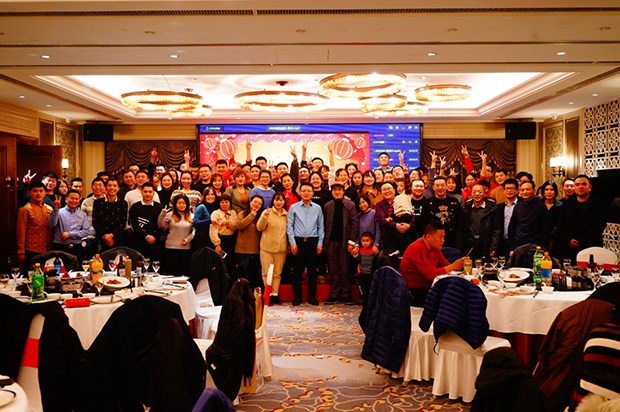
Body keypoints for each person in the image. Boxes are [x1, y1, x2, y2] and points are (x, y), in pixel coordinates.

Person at [399, 221, 465, 307]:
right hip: (413, 292)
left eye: (443, 237)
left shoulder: (435, 248)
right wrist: (453, 266)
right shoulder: (416, 248)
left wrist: (460, 264)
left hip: (428, 288)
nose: (443, 240)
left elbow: (446, 265)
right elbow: (429, 274)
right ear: (428, 237)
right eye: (440, 238)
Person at [287, 183, 325, 306]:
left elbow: (321, 227)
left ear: (313, 193)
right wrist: (292, 243)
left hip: (313, 241)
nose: (306, 193)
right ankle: (297, 297)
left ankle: (312, 297)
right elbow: (289, 227)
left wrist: (320, 243)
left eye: (309, 191)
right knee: (297, 271)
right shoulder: (293, 207)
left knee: (312, 271)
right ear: (300, 193)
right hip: (298, 241)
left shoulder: (317, 208)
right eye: (304, 191)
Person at [555, 174, 607, 263]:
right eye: (577, 184)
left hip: (590, 246)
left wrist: (580, 240)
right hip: (569, 247)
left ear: (590, 187)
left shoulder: (598, 204)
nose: (580, 187)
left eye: (584, 184)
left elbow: (599, 226)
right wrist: (568, 240)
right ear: (575, 187)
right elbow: (560, 225)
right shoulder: (567, 204)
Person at [323, 183, 359, 305]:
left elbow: (354, 224)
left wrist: (351, 242)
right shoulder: (327, 206)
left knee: (345, 269)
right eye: (334, 190)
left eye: (339, 190)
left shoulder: (350, 205)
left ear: (343, 192)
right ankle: (334, 294)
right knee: (333, 269)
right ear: (332, 192)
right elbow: (324, 224)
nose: (337, 192)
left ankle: (346, 294)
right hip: (330, 242)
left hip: (345, 241)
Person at [256, 192, 289, 305]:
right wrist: (264, 217)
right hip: (267, 248)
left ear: (284, 202)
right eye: (276, 200)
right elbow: (259, 227)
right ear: (273, 201)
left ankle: (275, 294)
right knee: (266, 273)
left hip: (281, 249)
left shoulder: (287, 215)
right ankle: (267, 295)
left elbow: (289, 232)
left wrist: (288, 246)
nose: (278, 202)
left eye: (281, 200)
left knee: (277, 274)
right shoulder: (267, 212)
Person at [48, 189, 90, 263]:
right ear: (66, 199)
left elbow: (86, 232)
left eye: (76, 199)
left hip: (77, 247)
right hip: (60, 246)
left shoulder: (82, 215)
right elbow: (51, 224)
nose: (74, 201)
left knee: (78, 269)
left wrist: (70, 234)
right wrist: (55, 209)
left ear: (79, 201)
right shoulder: (59, 212)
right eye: (72, 198)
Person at [16, 181, 53, 266]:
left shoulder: (49, 209)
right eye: (35, 191)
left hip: (47, 249)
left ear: (45, 193)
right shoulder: (25, 210)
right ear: (29, 193)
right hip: (31, 249)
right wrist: (21, 251)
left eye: (41, 191)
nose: (38, 193)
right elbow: (21, 232)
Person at [422, 176, 463, 249]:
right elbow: (424, 224)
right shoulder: (427, 203)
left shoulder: (454, 201)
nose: (440, 188)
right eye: (437, 185)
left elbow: (459, 222)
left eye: (442, 185)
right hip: (434, 240)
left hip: (452, 239)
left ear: (446, 186)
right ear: (433, 187)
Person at [158, 194, 195, 276]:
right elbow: (160, 225)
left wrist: (188, 239)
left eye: (184, 203)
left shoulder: (192, 216)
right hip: (170, 248)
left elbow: (194, 230)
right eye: (179, 203)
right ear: (175, 204)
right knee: (171, 273)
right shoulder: (170, 214)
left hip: (185, 248)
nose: (181, 205)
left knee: (184, 274)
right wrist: (162, 214)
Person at [128, 182, 164, 261]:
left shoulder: (159, 207)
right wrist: (146, 236)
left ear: (154, 193)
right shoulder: (135, 207)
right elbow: (134, 225)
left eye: (150, 192)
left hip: (155, 242)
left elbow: (161, 225)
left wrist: (154, 236)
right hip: (139, 242)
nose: (148, 194)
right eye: (145, 191)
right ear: (141, 192)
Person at [234, 195, 264, 289]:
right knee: (243, 276)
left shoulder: (261, 216)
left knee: (254, 276)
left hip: (256, 250)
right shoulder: (242, 213)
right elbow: (239, 226)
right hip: (242, 250)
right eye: (255, 202)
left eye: (259, 204)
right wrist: (251, 215)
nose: (256, 204)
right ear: (250, 202)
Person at [508, 180, 547, 251]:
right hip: (518, 245)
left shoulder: (541, 206)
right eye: (522, 190)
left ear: (534, 191)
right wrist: (511, 248)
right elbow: (512, 227)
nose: (525, 192)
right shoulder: (518, 206)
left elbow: (545, 229)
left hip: (535, 245)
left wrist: (544, 248)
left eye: (528, 189)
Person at [375, 181, 413, 254]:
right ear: (381, 193)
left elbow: (411, 214)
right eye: (384, 190)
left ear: (394, 190)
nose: (387, 191)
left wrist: (409, 225)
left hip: (406, 234)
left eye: (389, 188)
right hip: (389, 238)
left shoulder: (401, 200)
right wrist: (396, 225)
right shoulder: (379, 205)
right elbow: (382, 220)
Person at [92, 178, 127, 252]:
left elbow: (123, 223)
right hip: (102, 238)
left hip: (118, 238)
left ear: (118, 188)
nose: (112, 188)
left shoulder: (123, 203)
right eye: (109, 185)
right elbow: (96, 222)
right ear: (105, 188)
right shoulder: (98, 202)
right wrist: (106, 236)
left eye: (114, 186)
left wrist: (111, 235)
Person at [462, 183, 496, 259]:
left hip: (486, 244)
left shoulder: (492, 208)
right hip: (469, 244)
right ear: (471, 194)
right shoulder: (466, 208)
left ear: (484, 194)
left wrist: (494, 246)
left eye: (480, 192)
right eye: (474, 192)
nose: (477, 194)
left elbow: (496, 229)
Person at [209, 194, 238, 276]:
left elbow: (235, 226)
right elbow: (213, 230)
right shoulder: (216, 213)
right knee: (220, 263)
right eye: (222, 202)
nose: (224, 204)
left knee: (231, 263)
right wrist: (217, 244)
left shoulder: (233, 213)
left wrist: (227, 223)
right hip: (221, 239)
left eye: (226, 202)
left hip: (231, 240)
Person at [490, 178, 519, 258]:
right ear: (504, 191)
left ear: (517, 190)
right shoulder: (498, 207)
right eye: (507, 189)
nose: (509, 191)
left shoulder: (522, 205)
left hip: (517, 242)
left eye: (512, 188)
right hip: (502, 243)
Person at [81, 177, 106, 259]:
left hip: (105, 236)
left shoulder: (108, 201)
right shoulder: (86, 202)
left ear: (104, 187)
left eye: (100, 185)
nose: (98, 187)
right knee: (90, 260)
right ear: (91, 187)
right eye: (95, 185)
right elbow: (82, 220)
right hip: (90, 236)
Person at [352, 232, 377, 308]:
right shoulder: (361, 250)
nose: (365, 243)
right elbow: (359, 260)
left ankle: (371, 302)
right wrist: (355, 255)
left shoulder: (373, 250)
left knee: (371, 289)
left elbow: (376, 261)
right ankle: (364, 301)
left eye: (367, 241)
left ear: (372, 241)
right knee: (363, 289)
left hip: (371, 274)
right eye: (363, 241)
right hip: (363, 273)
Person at [192, 187, 218, 252]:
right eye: (208, 195)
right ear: (204, 196)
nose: (210, 196)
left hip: (210, 239)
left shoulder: (213, 208)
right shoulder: (201, 207)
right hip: (201, 239)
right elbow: (195, 223)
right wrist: (210, 221)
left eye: (212, 194)